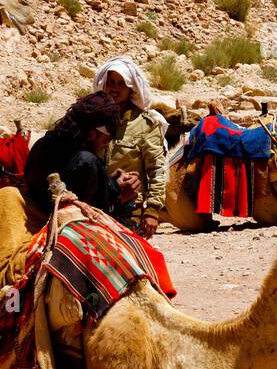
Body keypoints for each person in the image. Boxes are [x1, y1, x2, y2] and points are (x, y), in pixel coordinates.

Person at [23, 91, 140, 220]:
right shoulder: (85, 161)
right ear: (92, 135)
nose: (105, 146)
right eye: (105, 140)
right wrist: (120, 198)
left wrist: (110, 182)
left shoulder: (43, 144)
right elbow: (90, 212)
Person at [92, 56, 168, 237]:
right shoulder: (94, 119)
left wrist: (152, 211)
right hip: (95, 207)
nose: (115, 88)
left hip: (129, 210)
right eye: (111, 82)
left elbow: (157, 169)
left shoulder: (146, 124)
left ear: (130, 88)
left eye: (121, 84)